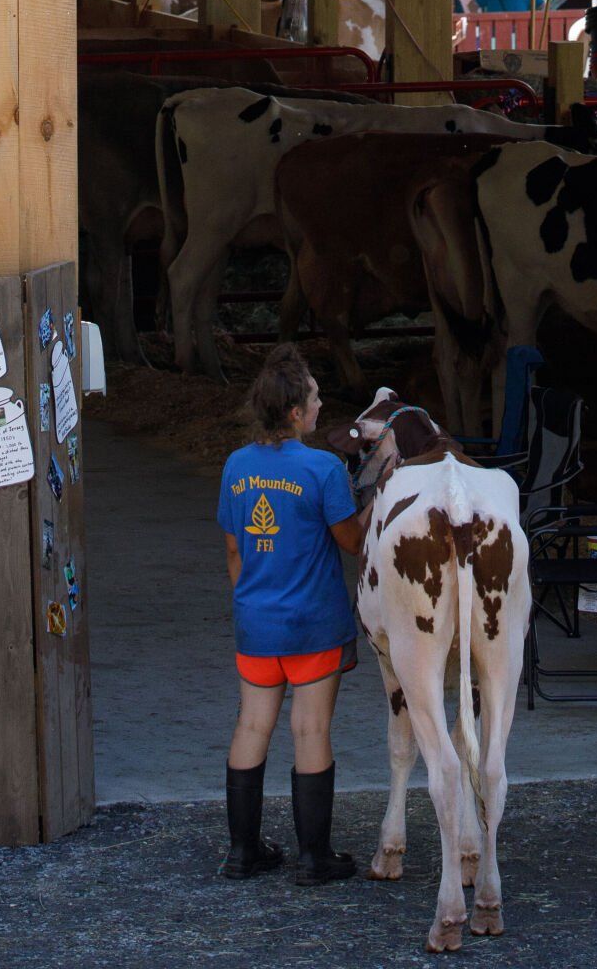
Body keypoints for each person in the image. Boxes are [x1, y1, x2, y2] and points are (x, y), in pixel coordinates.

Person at [214, 345, 365, 884]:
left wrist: (252, 598)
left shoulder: (237, 466)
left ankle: (242, 852)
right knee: (310, 729)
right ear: (297, 413)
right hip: (313, 626)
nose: (322, 405)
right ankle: (314, 857)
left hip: (257, 623)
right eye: (316, 398)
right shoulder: (323, 468)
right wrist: (373, 501)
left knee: (252, 724)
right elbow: (350, 542)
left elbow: (235, 549)